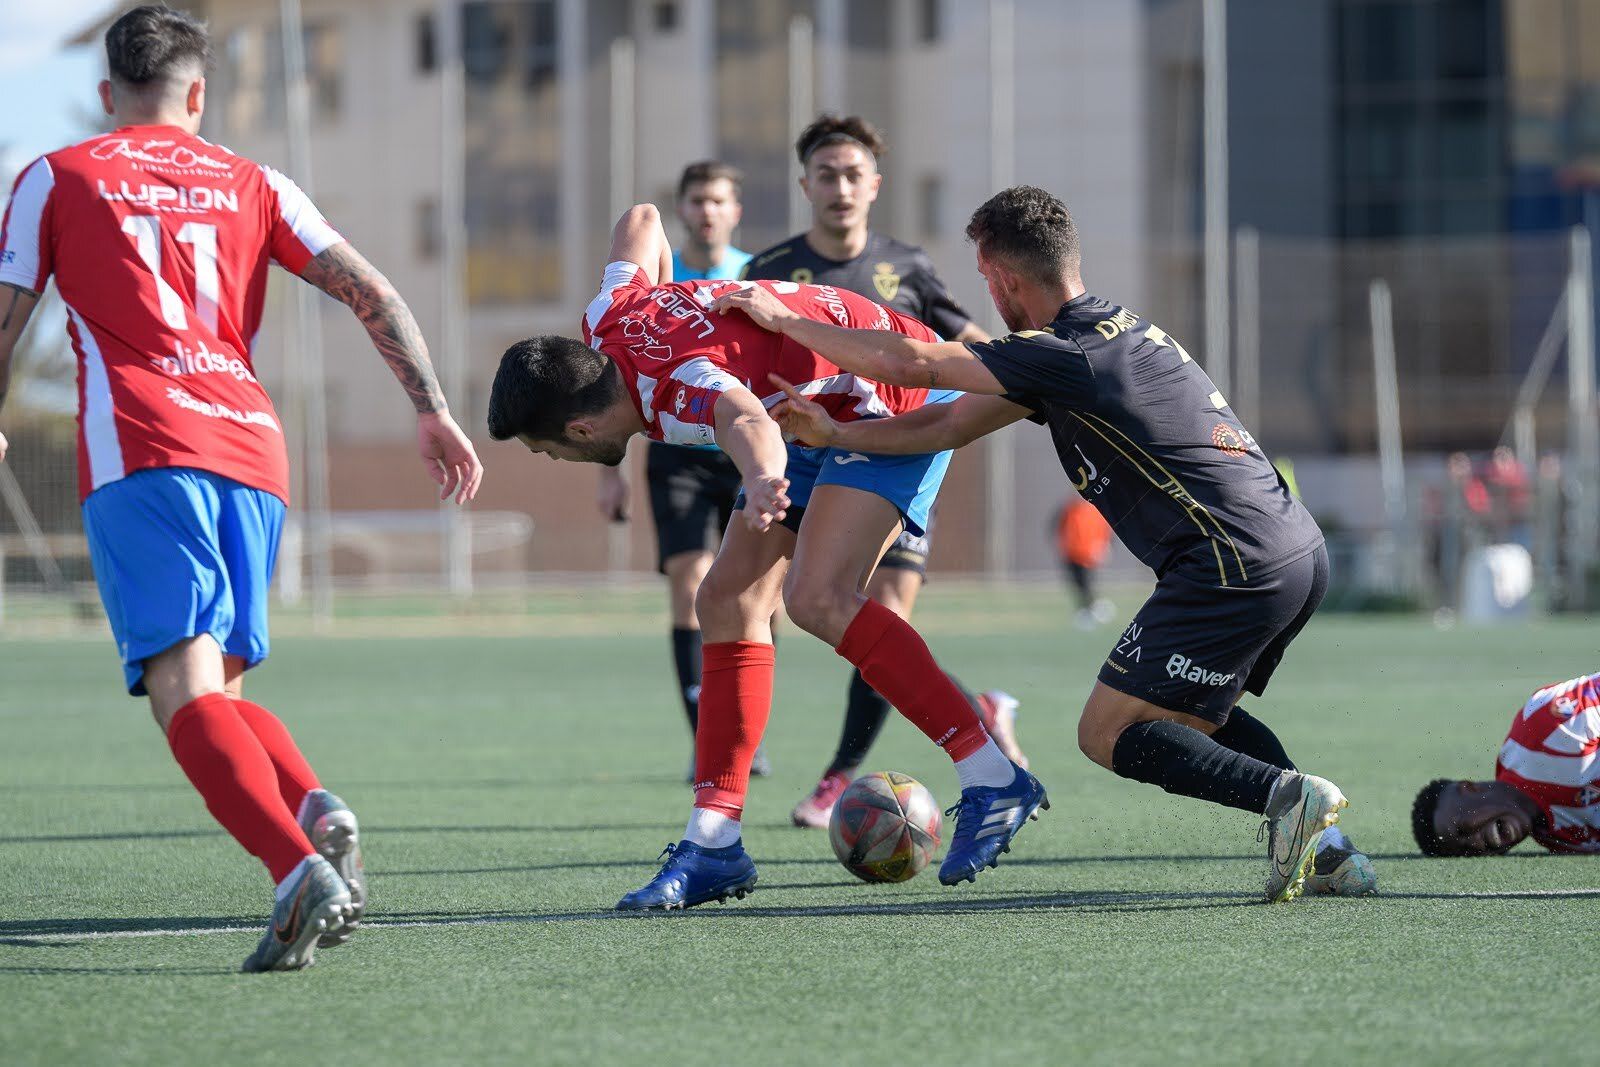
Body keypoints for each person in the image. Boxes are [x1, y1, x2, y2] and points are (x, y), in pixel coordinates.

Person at [716, 185, 1376, 901]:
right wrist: (839, 433)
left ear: (1004, 279)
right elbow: (944, 426)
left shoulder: (1062, 353)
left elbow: (916, 365)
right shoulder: (1105, 334)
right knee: (1194, 715)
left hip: (1228, 560)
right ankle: (1329, 848)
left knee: (1107, 732)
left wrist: (784, 318)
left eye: (983, 278)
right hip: (1292, 550)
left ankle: (1289, 796)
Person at [0, 7, 483, 970]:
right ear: (200, 94)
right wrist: (431, 408)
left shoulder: (58, 174)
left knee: (181, 691)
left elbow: (7, 311)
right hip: (254, 450)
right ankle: (313, 804)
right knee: (217, 686)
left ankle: (295, 866)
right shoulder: (256, 180)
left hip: (145, 444)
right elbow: (373, 291)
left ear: (108, 94)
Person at [486, 202, 1047, 910]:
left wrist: (761, 481)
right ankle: (715, 840)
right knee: (725, 602)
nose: (553, 458)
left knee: (816, 597)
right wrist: (662, 300)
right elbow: (641, 217)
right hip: (812, 404)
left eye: (547, 448)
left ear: (581, 424)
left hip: (887, 396)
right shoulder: (606, 316)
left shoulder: (676, 388)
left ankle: (993, 773)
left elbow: (745, 417)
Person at [743, 114, 1025, 827]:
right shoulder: (769, 271)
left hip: (895, 452)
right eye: (826, 175)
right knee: (827, 611)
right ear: (805, 184)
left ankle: (839, 775)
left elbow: (972, 346)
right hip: (810, 459)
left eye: (853, 174)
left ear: (875, 184)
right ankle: (978, 709)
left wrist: (1029, 381)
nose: (840, 187)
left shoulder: (909, 265)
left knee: (884, 612)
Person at [595, 161, 768, 779]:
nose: (707, 211)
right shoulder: (661, 275)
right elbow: (615, 381)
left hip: (750, 449)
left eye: (718, 200)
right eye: (696, 200)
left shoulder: (757, 274)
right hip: (676, 452)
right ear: (685, 209)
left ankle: (745, 727)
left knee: (759, 600)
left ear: (735, 210)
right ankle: (707, 736)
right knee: (691, 582)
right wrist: (608, 470)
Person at [1412, 671, 1600, 855]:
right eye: (1466, 850)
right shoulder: (1561, 839)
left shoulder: (1542, 730)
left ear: (1469, 788)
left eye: (1461, 828)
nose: (1475, 842)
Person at [1055, 494, 1115, 628]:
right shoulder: (1069, 509)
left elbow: (1105, 531)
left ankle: (1092, 609)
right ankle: (1089, 608)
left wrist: (1105, 546)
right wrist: (1062, 545)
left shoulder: (1095, 511)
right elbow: (1058, 527)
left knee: (1087, 583)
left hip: (1088, 554)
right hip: (1072, 553)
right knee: (1078, 583)